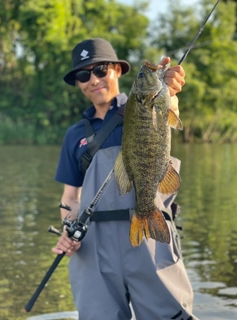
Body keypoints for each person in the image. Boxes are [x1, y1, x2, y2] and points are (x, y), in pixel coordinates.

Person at [52, 38, 197, 320]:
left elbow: (168, 108)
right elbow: (70, 198)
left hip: (151, 238)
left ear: (117, 70)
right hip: (93, 246)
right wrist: (67, 228)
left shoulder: (142, 107)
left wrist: (170, 88)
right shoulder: (74, 135)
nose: (93, 80)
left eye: (100, 69)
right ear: (79, 83)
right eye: (84, 74)